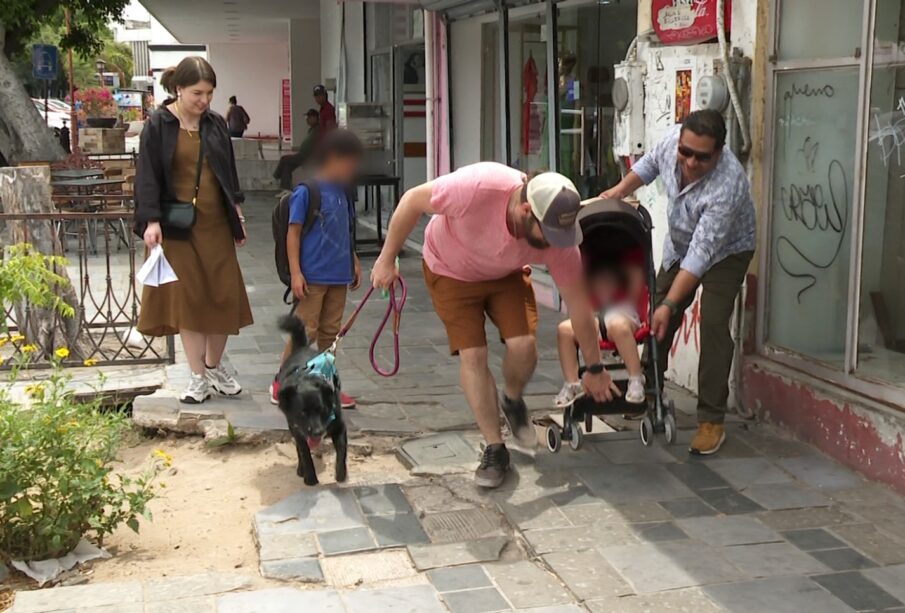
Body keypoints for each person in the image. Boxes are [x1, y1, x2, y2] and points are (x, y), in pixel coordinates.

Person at [371, 164, 620, 489]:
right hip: (450, 270)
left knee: (524, 346)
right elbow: (412, 200)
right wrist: (386, 259)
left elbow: (579, 306)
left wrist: (595, 367)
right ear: (526, 209)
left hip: (506, 274)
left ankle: (512, 399)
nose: (554, 243)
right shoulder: (478, 187)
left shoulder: (560, 244)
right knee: (473, 355)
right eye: (548, 233)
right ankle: (495, 448)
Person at [599, 109, 756, 456]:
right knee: (654, 313)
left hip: (727, 251)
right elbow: (650, 164)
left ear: (719, 152)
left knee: (712, 322)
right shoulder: (673, 141)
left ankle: (711, 419)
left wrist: (672, 304)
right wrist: (619, 191)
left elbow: (702, 255)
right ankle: (648, 389)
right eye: (686, 152)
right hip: (680, 244)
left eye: (702, 157)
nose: (689, 161)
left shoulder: (727, 185)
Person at [134, 56, 253, 404]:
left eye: (209, 93)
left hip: (216, 223)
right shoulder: (158, 125)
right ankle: (197, 377)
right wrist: (150, 220)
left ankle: (214, 365)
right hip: (176, 226)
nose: (204, 100)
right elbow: (147, 176)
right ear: (179, 89)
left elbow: (228, 173)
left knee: (222, 295)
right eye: (197, 93)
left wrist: (237, 212)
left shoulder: (215, 124)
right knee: (189, 301)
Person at [270, 129, 364, 410]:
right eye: (350, 163)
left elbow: (345, 230)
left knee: (330, 333)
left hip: (339, 275)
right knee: (305, 331)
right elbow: (293, 233)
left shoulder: (344, 192)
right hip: (312, 278)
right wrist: (296, 273)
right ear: (333, 159)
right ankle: (282, 382)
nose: (353, 170)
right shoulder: (307, 192)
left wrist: (354, 260)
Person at [556, 245, 647, 407]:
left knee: (617, 325)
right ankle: (572, 384)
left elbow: (637, 286)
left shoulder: (628, 259)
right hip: (594, 313)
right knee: (564, 330)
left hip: (622, 309)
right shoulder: (585, 261)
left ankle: (636, 378)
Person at [272, 109, 320, 191]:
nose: (307, 119)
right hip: (303, 154)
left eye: (309, 117)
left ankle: (276, 177)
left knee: (284, 159)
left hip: (306, 156)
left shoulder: (318, 130)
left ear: (315, 118)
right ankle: (285, 189)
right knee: (287, 167)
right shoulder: (312, 130)